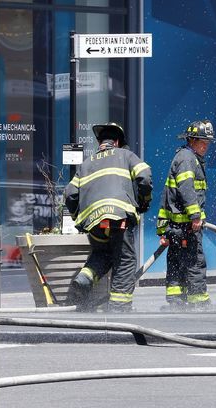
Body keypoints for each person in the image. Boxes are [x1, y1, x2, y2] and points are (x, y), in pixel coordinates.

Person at [64, 122, 153, 312]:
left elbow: (70, 194)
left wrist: (77, 218)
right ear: (118, 141)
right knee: (125, 259)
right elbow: (145, 176)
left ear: (100, 142)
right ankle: (119, 305)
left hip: (94, 224)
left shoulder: (86, 163)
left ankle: (84, 277)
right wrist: (144, 202)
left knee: (102, 253)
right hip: (118, 217)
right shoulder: (126, 155)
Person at [156, 120, 216, 311]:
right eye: (202, 141)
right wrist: (195, 216)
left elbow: (167, 195)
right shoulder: (187, 159)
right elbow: (186, 189)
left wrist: (163, 229)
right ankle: (199, 302)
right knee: (194, 261)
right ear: (191, 140)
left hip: (177, 226)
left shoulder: (185, 157)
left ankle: (176, 301)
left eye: (207, 142)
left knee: (176, 261)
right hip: (187, 225)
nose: (206, 145)